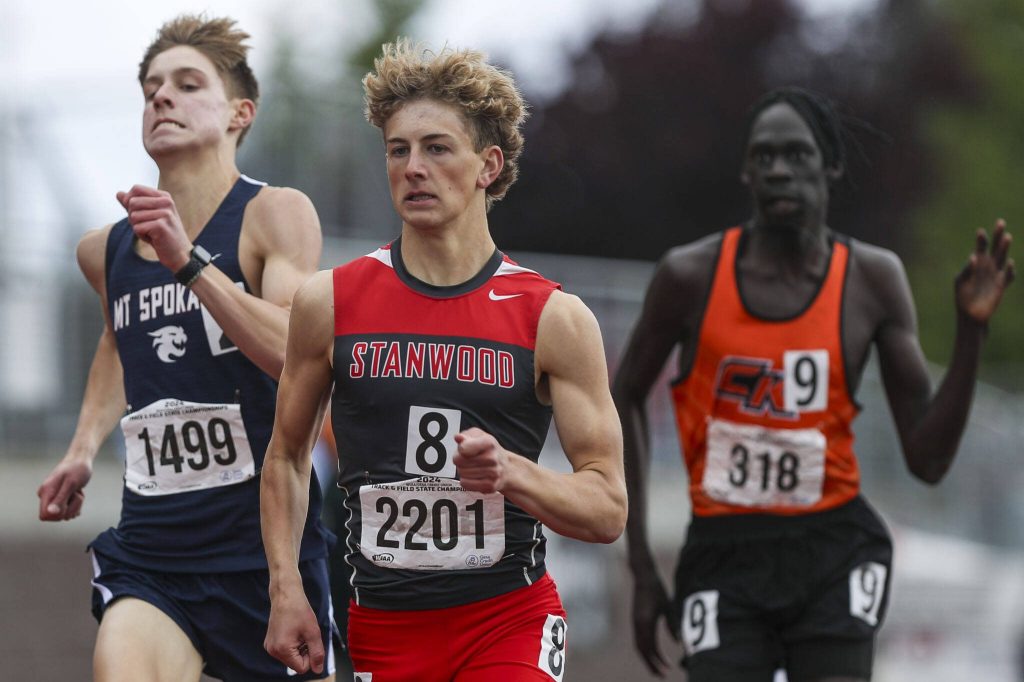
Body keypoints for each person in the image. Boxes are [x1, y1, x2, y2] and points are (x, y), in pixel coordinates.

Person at [614, 86, 1014, 682]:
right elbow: (623, 397)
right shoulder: (689, 276)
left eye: (797, 155)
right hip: (724, 553)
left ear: (830, 165)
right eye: (764, 156)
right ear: (746, 172)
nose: (780, 170)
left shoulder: (872, 281)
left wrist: (970, 333)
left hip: (834, 553)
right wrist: (642, 567)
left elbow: (927, 460)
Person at [260, 40, 628, 681]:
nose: (413, 167)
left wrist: (511, 473)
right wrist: (286, 588)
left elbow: (606, 508)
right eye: (398, 150)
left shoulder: (553, 319)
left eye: (436, 148)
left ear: (488, 164)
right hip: (383, 628)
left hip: (508, 620)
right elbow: (288, 457)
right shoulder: (329, 302)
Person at [35, 14, 337, 682]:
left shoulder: (274, 214)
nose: (160, 97)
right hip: (153, 554)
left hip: (264, 559)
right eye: (150, 88)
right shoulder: (105, 251)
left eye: (186, 83)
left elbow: (295, 353)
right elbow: (120, 342)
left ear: (239, 112)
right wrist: (83, 448)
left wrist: (189, 263)